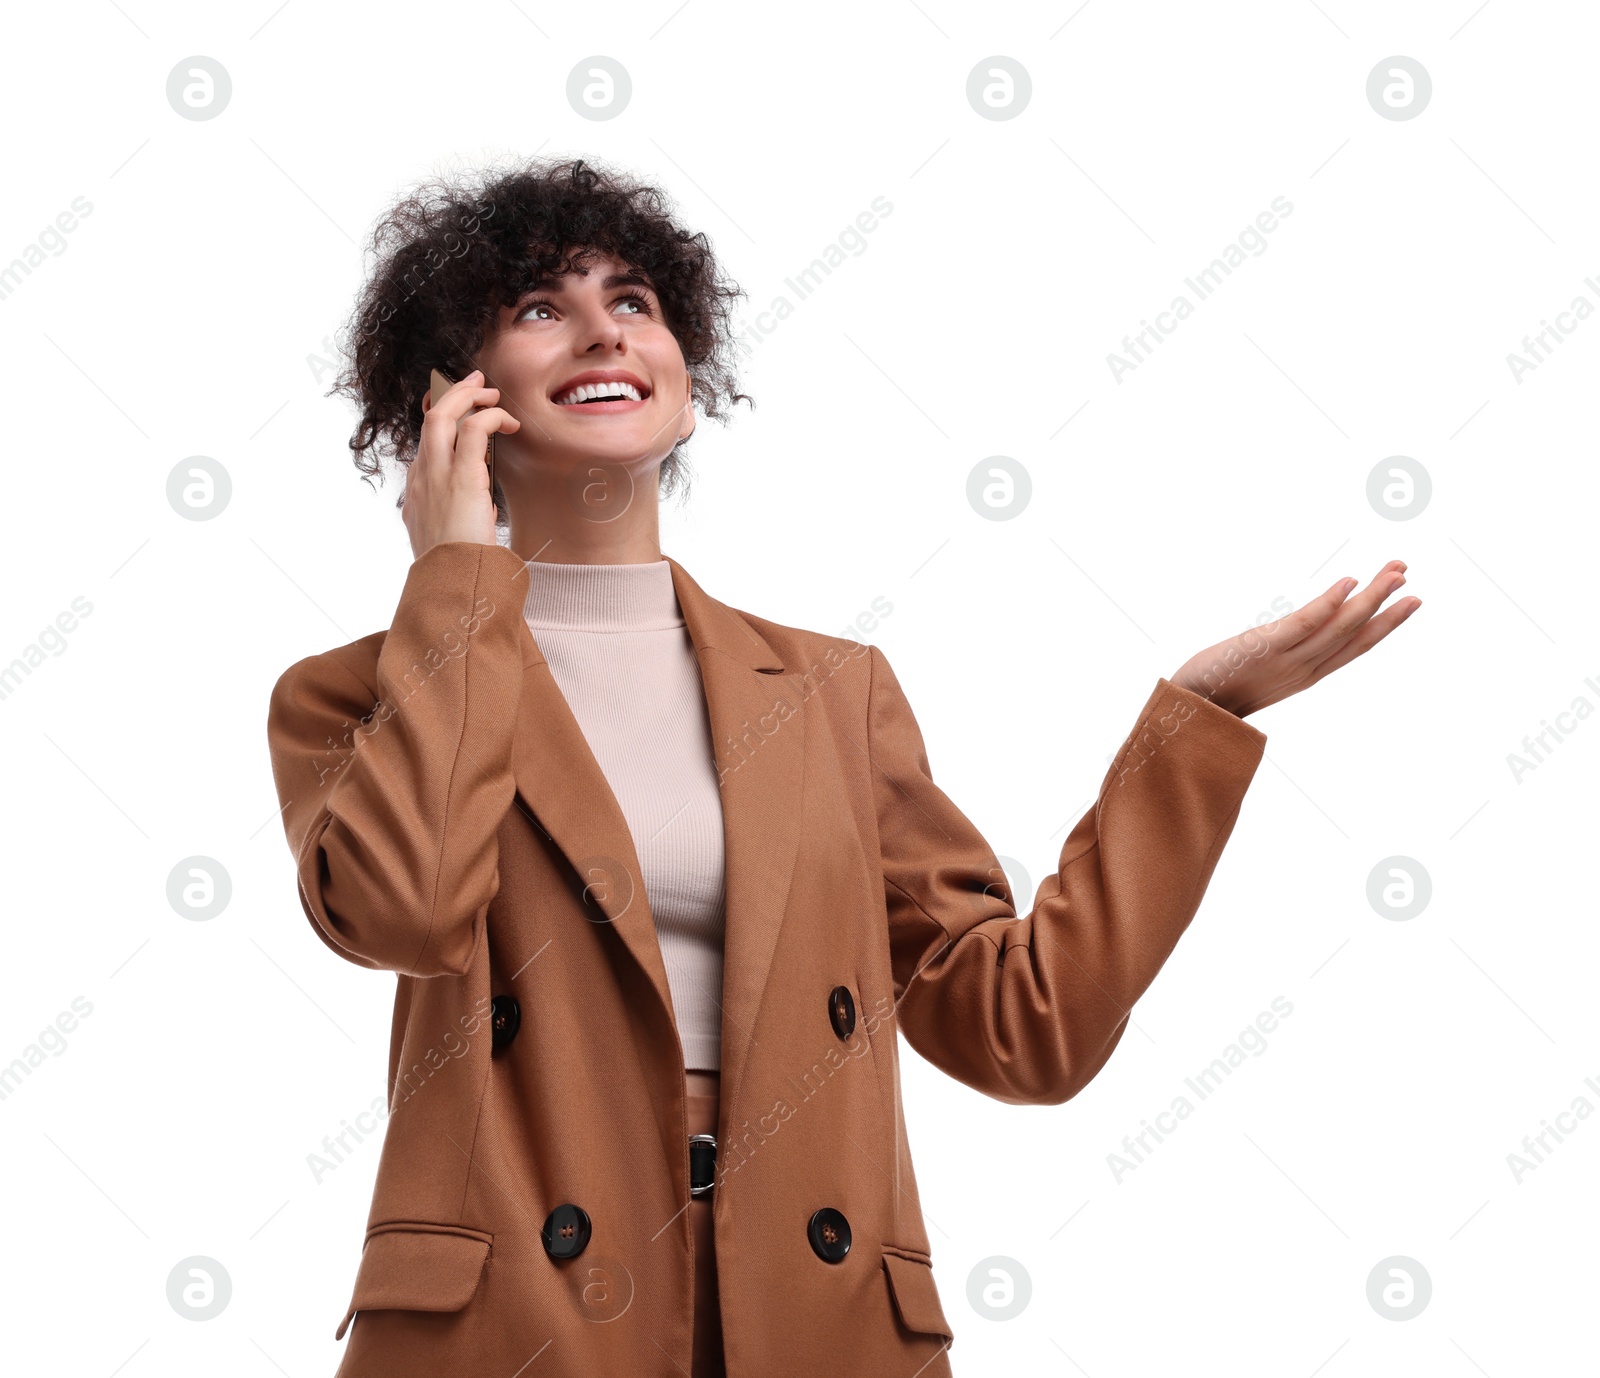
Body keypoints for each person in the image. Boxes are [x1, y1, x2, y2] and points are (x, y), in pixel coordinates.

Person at [268, 155, 1419, 1377]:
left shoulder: (828, 691)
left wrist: (1193, 726)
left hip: (819, 1319)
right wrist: (453, 587)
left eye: (636, 301)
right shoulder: (353, 692)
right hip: (514, 1324)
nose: (604, 330)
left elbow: (1020, 1029)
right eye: (542, 307)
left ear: (686, 371)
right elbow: (406, 908)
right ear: (459, 389)